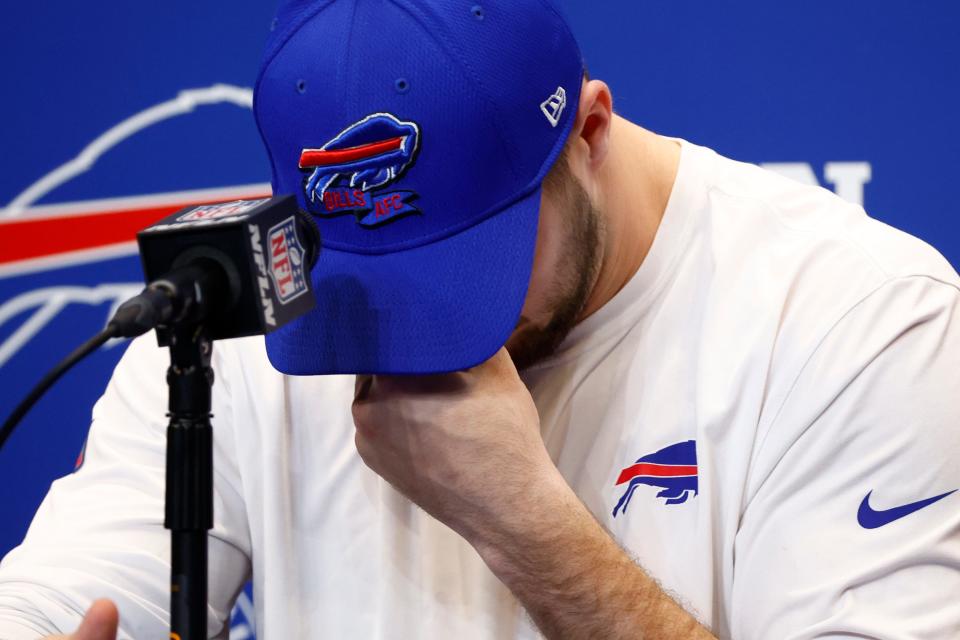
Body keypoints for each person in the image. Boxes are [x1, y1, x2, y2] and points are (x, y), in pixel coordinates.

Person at [2, 1, 959, 638]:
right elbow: (68, 590)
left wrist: (528, 526)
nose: (408, 323)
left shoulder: (857, 320)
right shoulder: (254, 308)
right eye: (366, 266)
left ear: (587, 133)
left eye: (466, 261)